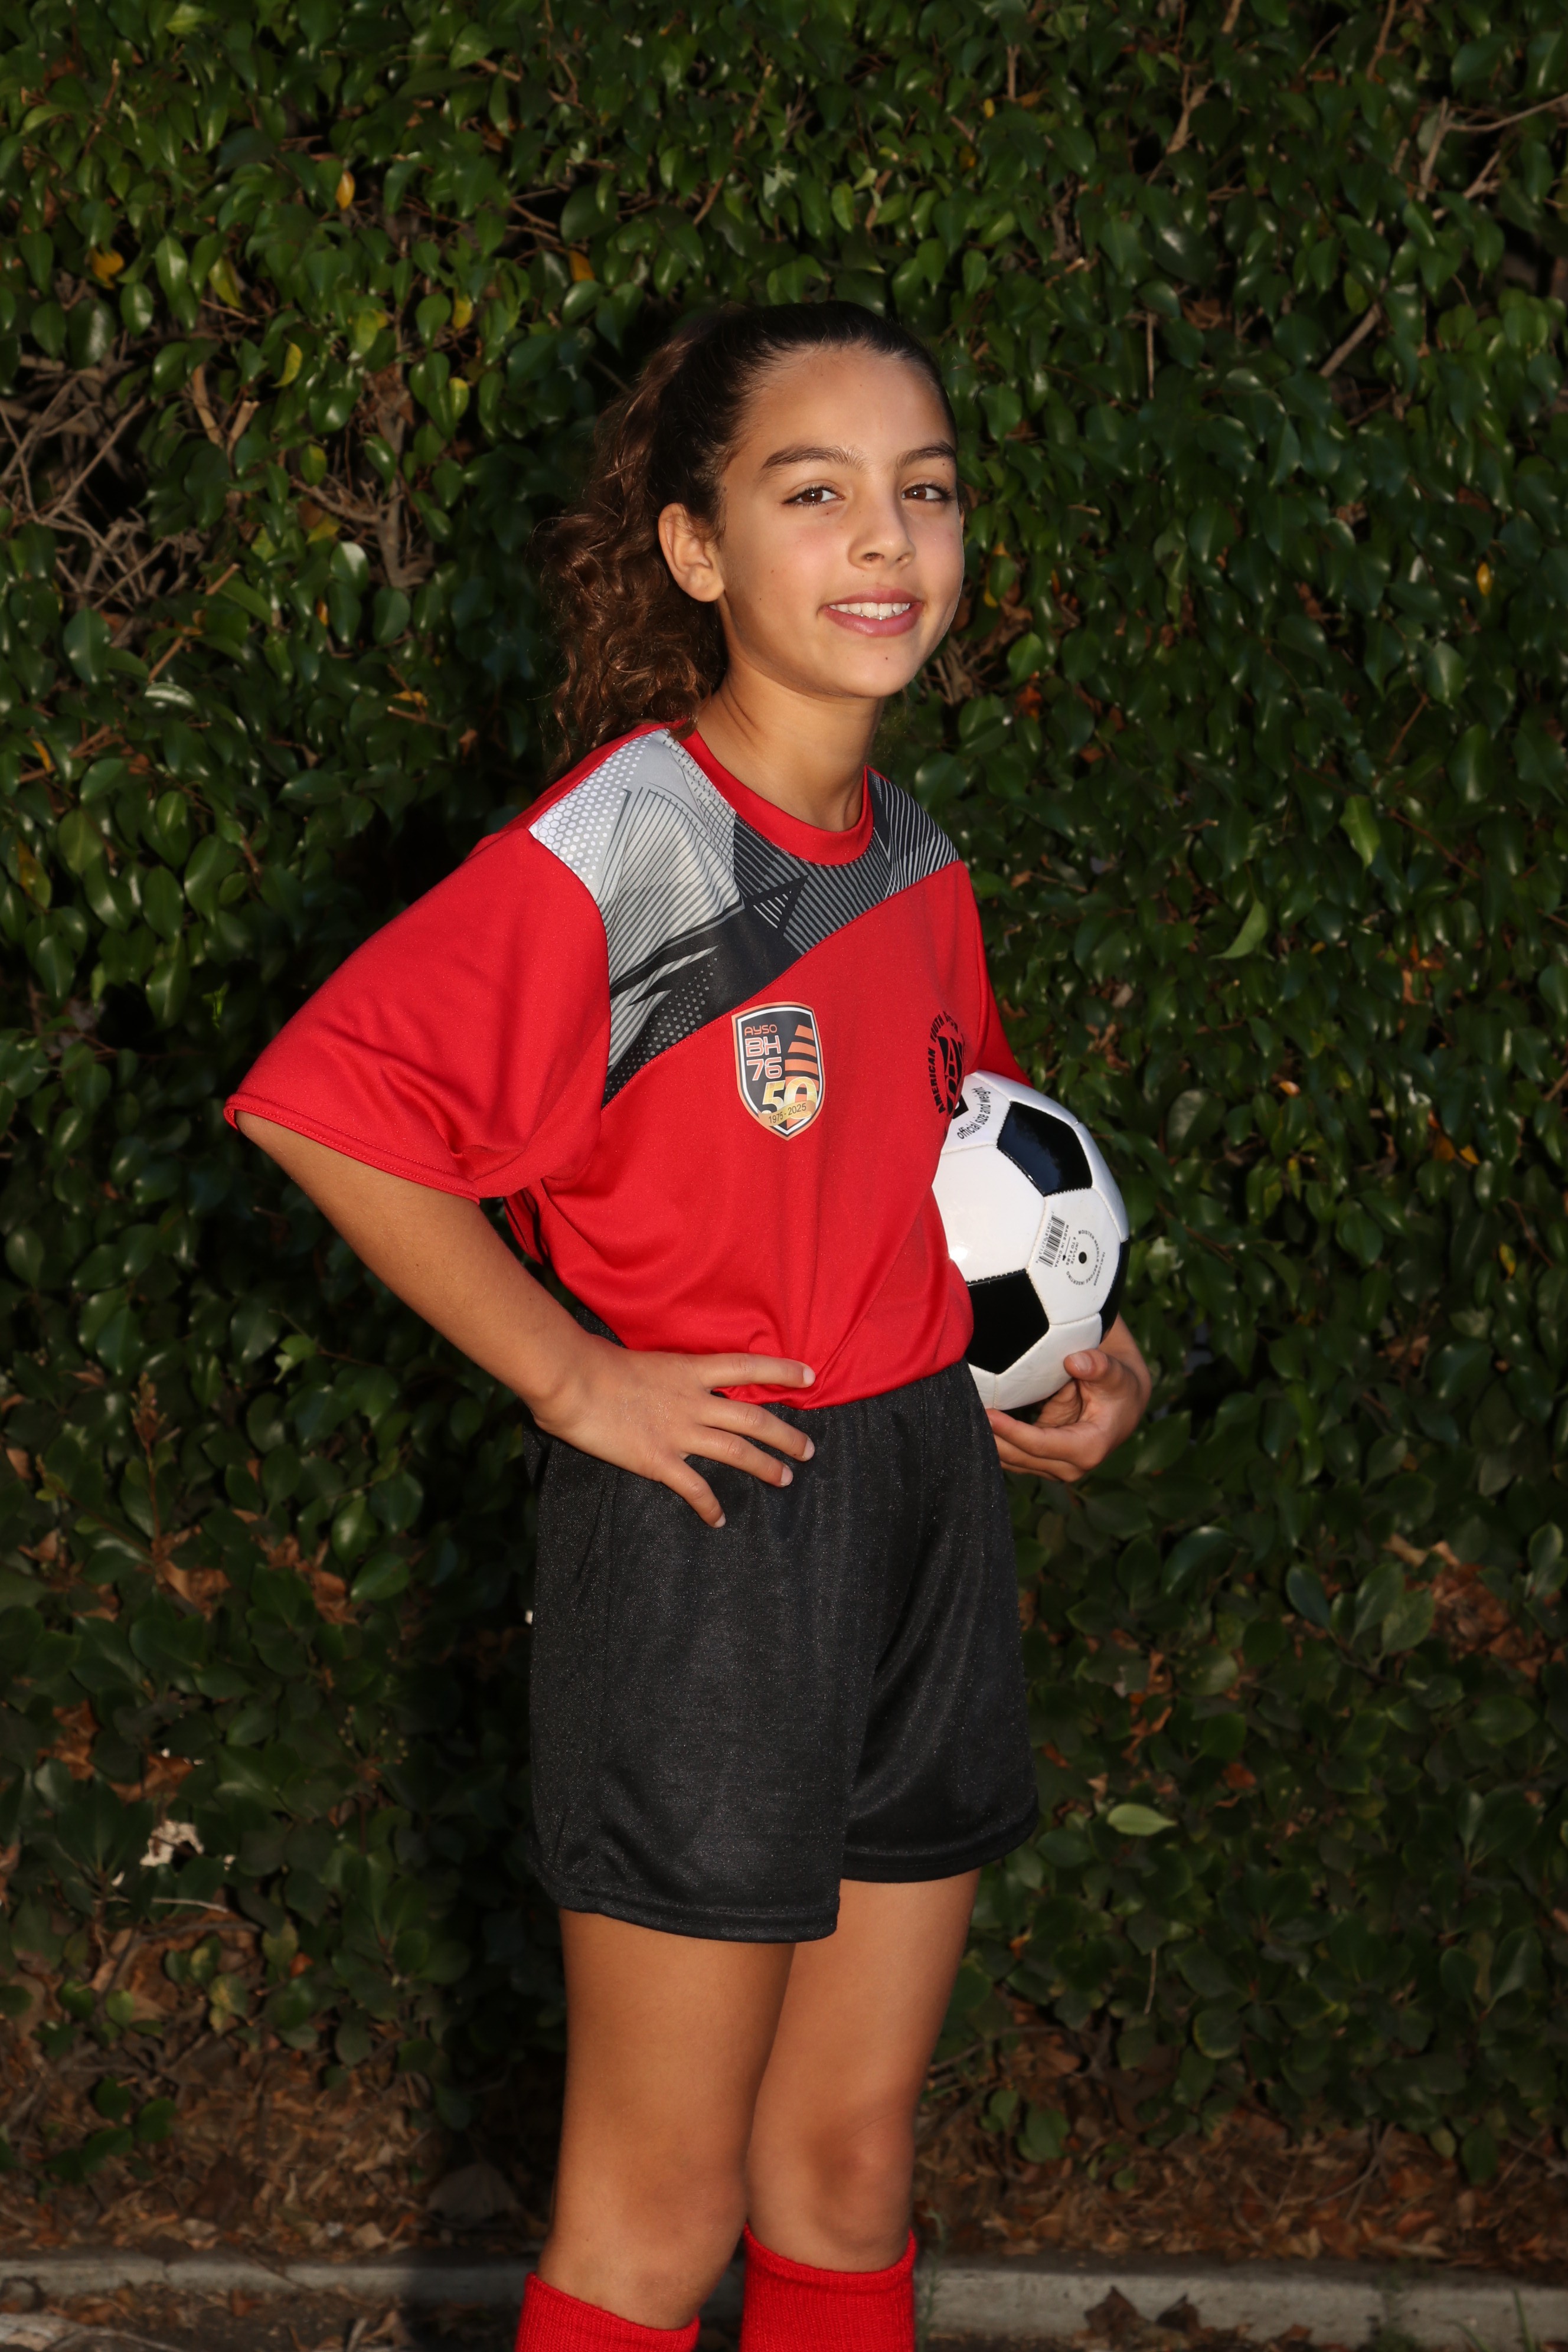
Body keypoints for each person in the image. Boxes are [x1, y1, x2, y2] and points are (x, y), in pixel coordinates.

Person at [228, 302, 1151, 2352]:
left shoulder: (913, 852)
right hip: (714, 1533)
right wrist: (575, 1376)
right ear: (694, 550)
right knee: (657, 2212)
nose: (886, 538)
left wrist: (1075, 1361)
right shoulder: (634, 843)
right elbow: (326, 1105)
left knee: (848, 2168)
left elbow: (980, 1165)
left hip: (925, 1505)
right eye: (813, 493)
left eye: (924, 491)